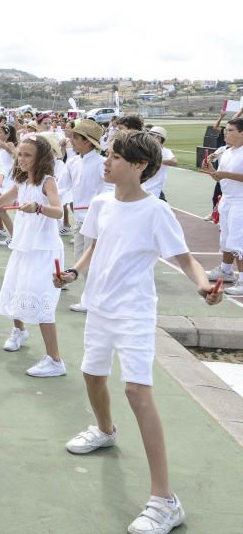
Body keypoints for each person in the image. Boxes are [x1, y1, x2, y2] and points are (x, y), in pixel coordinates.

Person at [54, 131, 222, 534]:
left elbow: (185, 260)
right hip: (99, 307)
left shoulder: (156, 213)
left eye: (113, 157)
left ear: (139, 165)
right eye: (107, 155)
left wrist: (203, 287)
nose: (106, 162)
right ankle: (105, 430)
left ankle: (165, 500)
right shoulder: (101, 203)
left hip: (134, 313)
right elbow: (96, 247)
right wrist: (76, 271)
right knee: (92, 374)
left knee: (136, 391)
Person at [0, 135, 67, 377]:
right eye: (20, 154)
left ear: (40, 158)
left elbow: (57, 212)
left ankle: (55, 360)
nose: (21, 159)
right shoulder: (21, 181)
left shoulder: (48, 182)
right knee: (15, 288)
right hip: (23, 246)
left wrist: (39, 207)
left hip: (44, 249)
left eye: (27, 155)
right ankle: (19, 331)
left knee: (42, 299)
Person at [67, 120, 106, 313]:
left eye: (76, 137)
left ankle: (93, 300)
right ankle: (91, 298)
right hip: (79, 219)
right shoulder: (73, 161)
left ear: (89, 142)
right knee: (80, 261)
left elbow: (110, 188)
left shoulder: (101, 163)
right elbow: (61, 187)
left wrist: (96, 208)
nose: (72, 140)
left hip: (95, 220)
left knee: (93, 262)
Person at [205, 117, 243, 294]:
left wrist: (225, 174)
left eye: (230, 130)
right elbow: (222, 176)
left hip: (241, 201)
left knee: (239, 242)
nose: (226, 133)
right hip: (228, 199)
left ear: (241, 133)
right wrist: (216, 173)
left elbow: (229, 175)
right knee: (226, 239)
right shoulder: (227, 151)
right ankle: (226, 270)